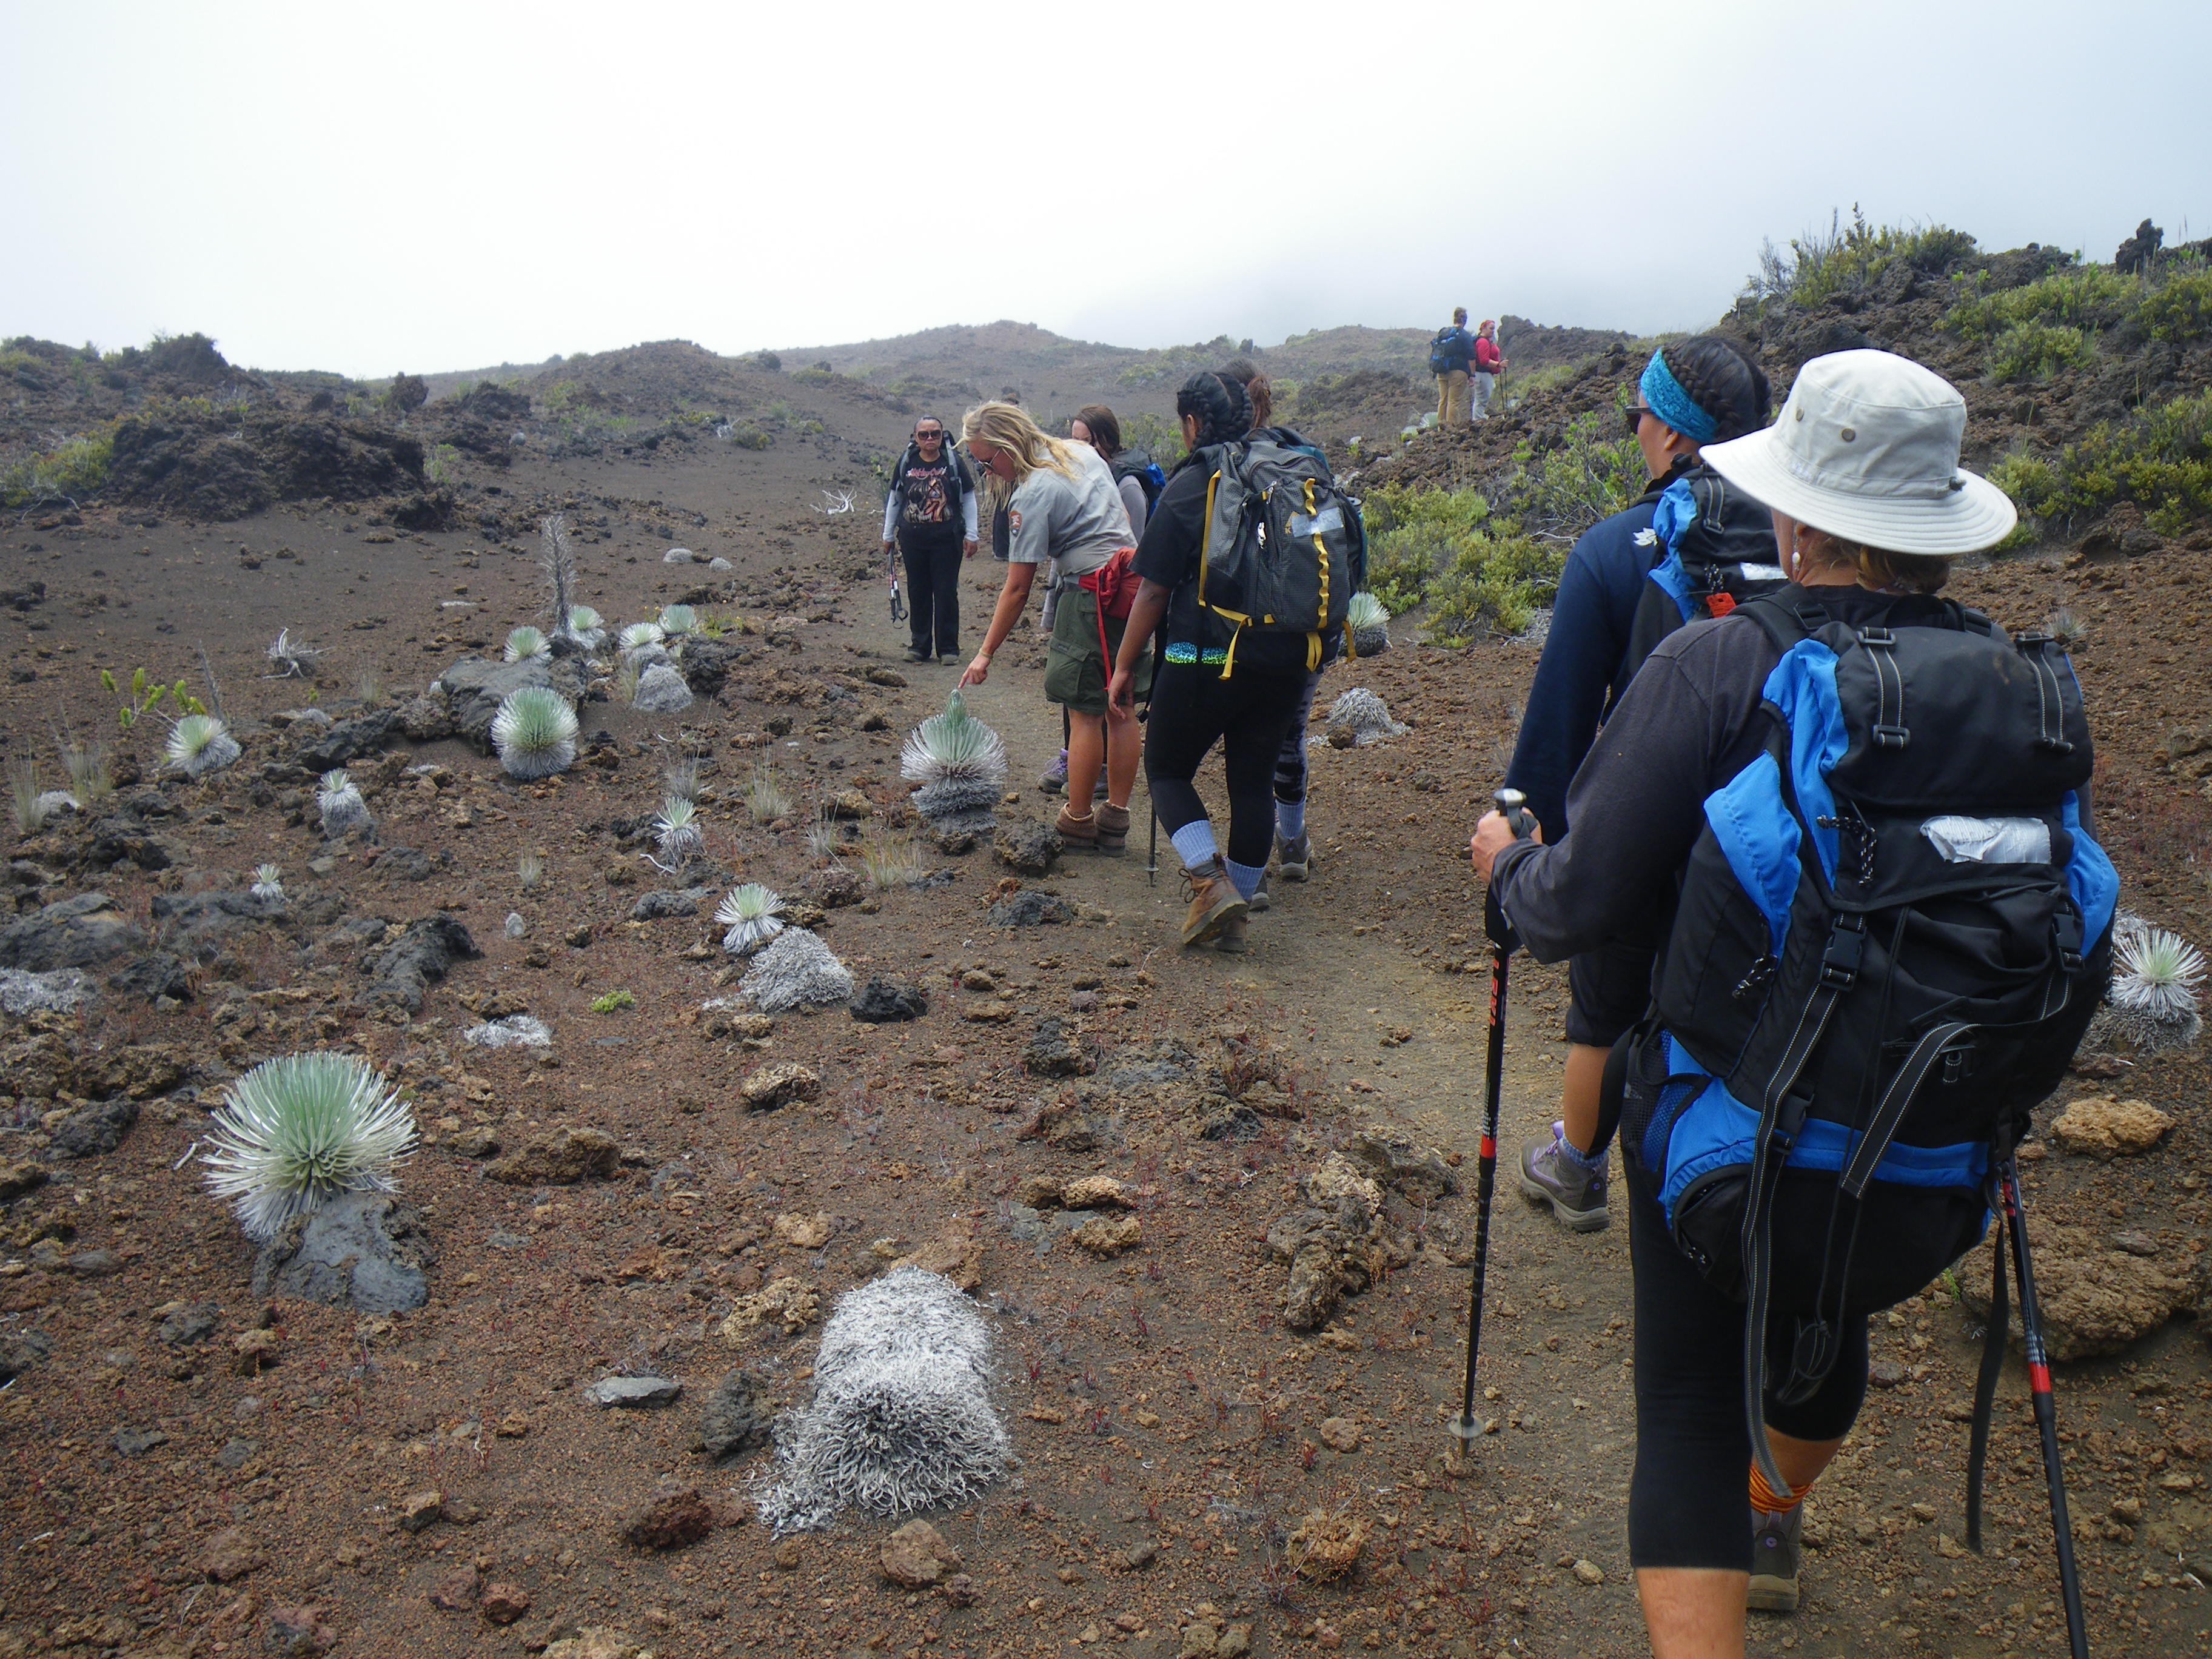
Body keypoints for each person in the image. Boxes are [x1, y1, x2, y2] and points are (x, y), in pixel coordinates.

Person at [1470, 350, 2034, 1654]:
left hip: (1732, 1149)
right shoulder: (2012, 687)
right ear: (1937, 531)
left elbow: (1580, 898)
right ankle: (1775, 1512)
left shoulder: (1723, 662)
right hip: (1937, 1163)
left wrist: (1509, 877)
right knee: (1817, 1327)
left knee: (1682, 1401)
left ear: (1792, 516)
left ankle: (1736, 1532)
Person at [1505, 336, 1774, 1234]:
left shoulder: (1615, 550)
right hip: (1777, 841)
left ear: (1669, 431)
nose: (1637, 429)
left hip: (1650, 830)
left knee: (1605, 1004)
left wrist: (1525, 854)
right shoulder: (1805, 539)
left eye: (1642, 414)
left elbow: (1558, 732)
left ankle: (1578, 1169)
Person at [1110, 370, 1336, 952]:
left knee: (1165, 769)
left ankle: (1211, 886)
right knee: (1253, 781)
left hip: (1201, 649)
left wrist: (1124, 665)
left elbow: (1154, 591)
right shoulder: (1294, 463)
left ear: (1193, 423)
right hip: (1286, 655)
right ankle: (1233, 913)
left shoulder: (1197, 480)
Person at [957, 401, 1147, 853]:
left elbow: (1017, 588)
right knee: (1122, 705)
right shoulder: (1078, 452)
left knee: (1085, 713)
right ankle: (1116, 818)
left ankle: (1078, 819)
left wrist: (985, 653)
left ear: (1007, 444)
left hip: (1090, 596)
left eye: (988, 461)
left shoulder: (1033, 492)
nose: (988, 471)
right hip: (1134, 594)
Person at [1216, 359, 1327, 913]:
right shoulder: (1304, 454)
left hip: (1240, 632)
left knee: (1245, 742)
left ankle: (1250, 868)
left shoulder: (1223, 460)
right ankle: (1294, 842)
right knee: (1290, 735)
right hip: (1308, 630)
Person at [1041, 405, 1154, 797]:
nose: (1076, 448)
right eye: (1071, 439)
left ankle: (1094, 779)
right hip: (1079, 598)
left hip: (1108, 604)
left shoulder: (1125, 487)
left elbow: (1129, 553)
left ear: (1105, 441)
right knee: (1079, 696)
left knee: (1102, 702)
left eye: (1084, 440)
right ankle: (1078, 762)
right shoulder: (1081, 481)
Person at [881, 415, 980, 664]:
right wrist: (888, 534)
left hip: (948, 539)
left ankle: (948, 648)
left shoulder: (953, 462)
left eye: (934, 434)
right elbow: (895, 497)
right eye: (924, 434)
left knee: (946, 592)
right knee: (918, 591)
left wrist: (972, 534)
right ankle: (919, 646)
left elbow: (968, 498)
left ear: (942, 435)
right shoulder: (907, 462)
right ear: (915, 437)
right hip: (912, 539)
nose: (929, 439)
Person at [1430, 307, 1478, 428]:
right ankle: (1452, 428)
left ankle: (1441, 425)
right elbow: (1471, 357)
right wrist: (1472, 375)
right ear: (1465, 320)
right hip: (1458, 372)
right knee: (1454, 401)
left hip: (1442, 370)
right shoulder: (1465, 336)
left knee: (1443, 400)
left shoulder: (1444, 332)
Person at [1470, 319, 1506, 419]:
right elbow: (1484, 360)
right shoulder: (1483, 342)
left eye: (1494, 329)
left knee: (1481, 399)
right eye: (1491, 328)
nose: (1493, 331)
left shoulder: (1485, 341)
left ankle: (1479, 418)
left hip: (1484, 375)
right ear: (1483, 328)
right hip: (1483, 375)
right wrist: (1498, 364)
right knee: (1481, 400)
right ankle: (1478, 420)